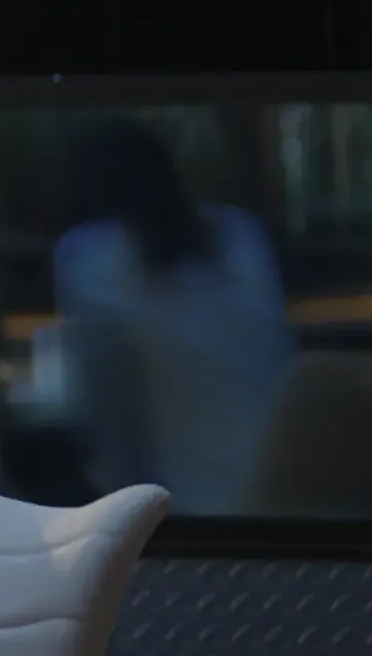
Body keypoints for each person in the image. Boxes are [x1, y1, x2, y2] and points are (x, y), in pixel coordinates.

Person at [46, 116, 295, 516]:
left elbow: (113, 431)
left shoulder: (90, 260)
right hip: (291, 506)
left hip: (195, 522)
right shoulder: (242, 236)